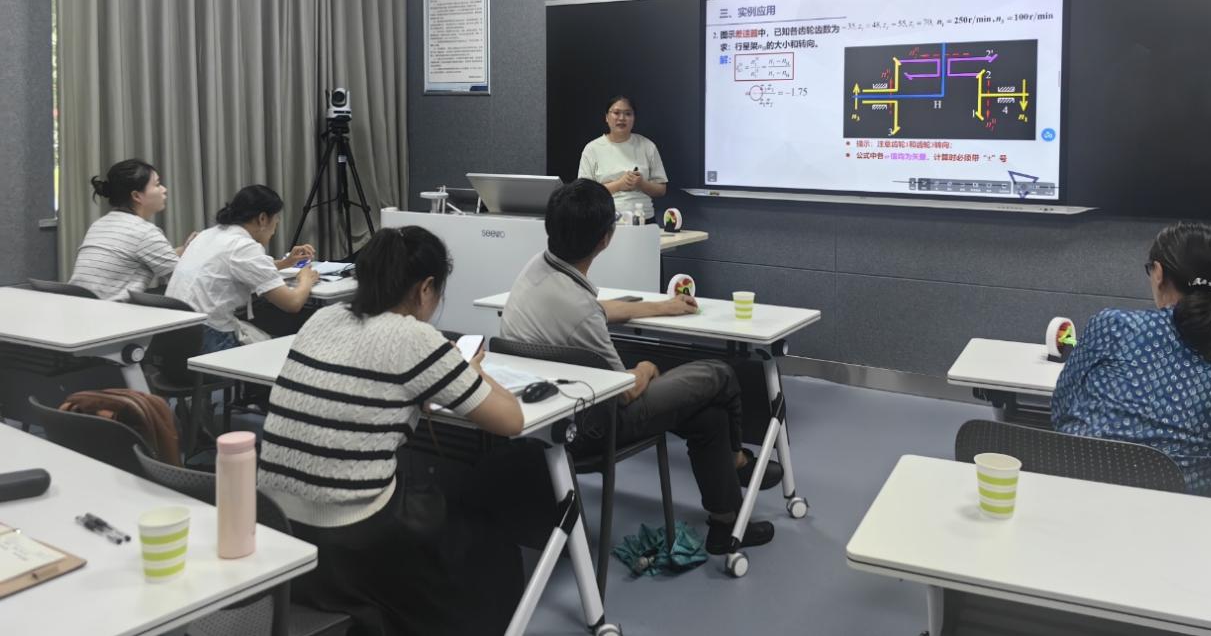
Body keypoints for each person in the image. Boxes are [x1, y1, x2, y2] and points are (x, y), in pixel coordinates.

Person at [258, 226, 543, 636]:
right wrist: (470, 370)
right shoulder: (413, 337)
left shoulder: (323, 318)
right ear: (425, 288)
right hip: (346, 536)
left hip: (274, 522)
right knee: (488, 552)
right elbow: (511, 420)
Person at [500, 178, 781, 555]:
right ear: (606, 239)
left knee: (709, 417)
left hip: (545, 414)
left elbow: (595, 310)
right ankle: (738, 460)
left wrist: (662, 307)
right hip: (591, 426)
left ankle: (726, 524)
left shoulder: (539, 269)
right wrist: (646, 367)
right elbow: (627, 391)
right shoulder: (578, 308)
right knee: (719, 374)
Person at [1051, 222, 1211, 494]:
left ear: (1158, 273)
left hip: (1072, 496)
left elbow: (1060, 410)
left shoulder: (1114, 326)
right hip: (1174, 515)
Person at [166, 185, 317, 353]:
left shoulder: (209, 234)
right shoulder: (244, 246)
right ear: (262, 219)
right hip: (208, 336)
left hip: (177, 331)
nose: (274, 230)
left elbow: (240, 268)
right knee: (283, 349)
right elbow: (292, 303)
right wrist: (306, 279)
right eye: (276, 221)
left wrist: (286, 262)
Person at [68, 159, 196, 300]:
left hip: (76, 307)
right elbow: (182, 279)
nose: (164, 189)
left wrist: (185, 250)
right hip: (109, 312)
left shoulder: (99, 224)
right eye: (157, 185)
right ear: (136, 196)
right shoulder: (145, 233)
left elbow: (153, 255)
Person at [577, 95, 667, 221]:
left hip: (643, 218)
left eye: (628, 114)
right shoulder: (592, 149)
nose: (622, 118)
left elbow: (661, 190)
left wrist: (641, 184)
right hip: (604, 219)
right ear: (606, 117)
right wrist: (619, 184)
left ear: (634, 118)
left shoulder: (647, 146)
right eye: (616, 113)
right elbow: (584, 192)